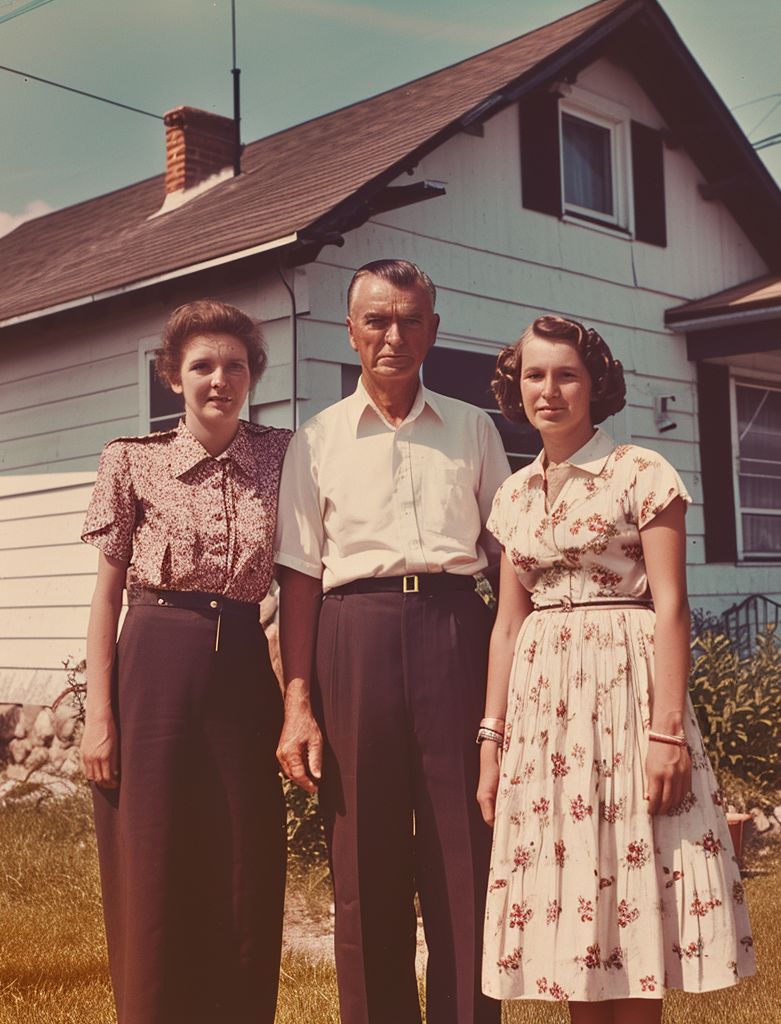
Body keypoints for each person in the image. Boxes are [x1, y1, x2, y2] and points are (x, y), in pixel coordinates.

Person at [476, 315, 755, 1022]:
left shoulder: (639, 472)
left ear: (594, 383)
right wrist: (491, 738)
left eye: (566, 374)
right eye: (534, 376)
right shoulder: (511, 496)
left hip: (628, 699)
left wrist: (666, 733)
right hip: (545, 714)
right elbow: (508, 624)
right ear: (517, 389)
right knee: (575, 902)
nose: (549, 390)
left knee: (631, 893)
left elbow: (672, 610)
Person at [274, 259, 510, 1024]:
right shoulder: (313, 443)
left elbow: (508, 559)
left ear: (433, 331)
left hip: (456, 632)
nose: (393, 335)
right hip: (355, 636)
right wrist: (298, 703)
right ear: (351, 330)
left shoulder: (474, 429)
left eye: (410, 319)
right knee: (363, 858)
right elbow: (301, 579)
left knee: (466, 852)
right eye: (377, 319)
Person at [80, 299, 292, 1024]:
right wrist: (98, 715)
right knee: (156, 862)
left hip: (242, 670)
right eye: (202, 365)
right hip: (154, 664)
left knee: (244, 863)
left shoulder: (282, 456)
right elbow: (106, 600)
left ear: (252, 376)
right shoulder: (130, 459)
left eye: (236, 365)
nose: (219, 379)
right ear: (173, 376)